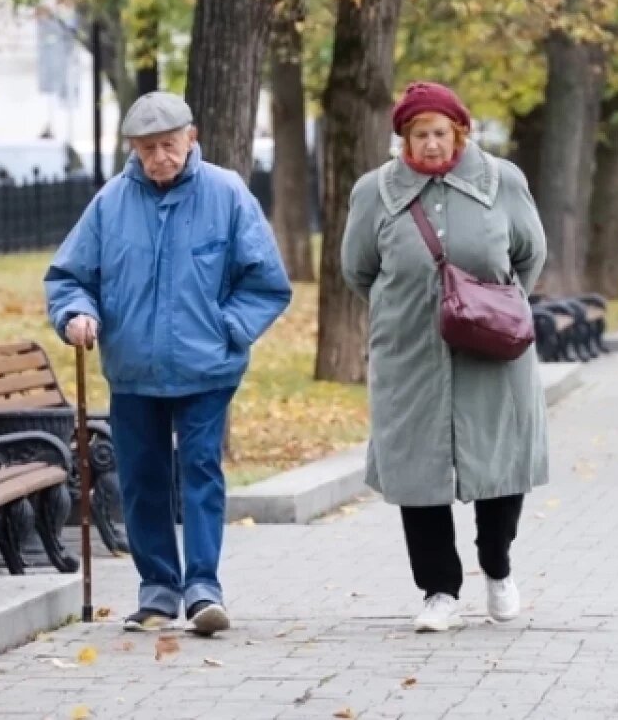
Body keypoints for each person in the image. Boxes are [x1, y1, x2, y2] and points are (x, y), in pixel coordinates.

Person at [45, 91, 292, 635]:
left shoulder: (226, 194)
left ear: (192, 138)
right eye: (148, 148)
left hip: (207, 369)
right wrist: (76, 316)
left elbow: (267, 283)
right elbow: (69, 278)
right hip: (133, 371)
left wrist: (228, 328)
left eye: (169, 145)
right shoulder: (111, 203)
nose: (160, 157)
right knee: (141, 479)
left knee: (200, 471)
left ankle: (203, 590)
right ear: (133, 148)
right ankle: (157, 591)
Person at [340, 81, 548, 633]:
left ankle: (498, 567)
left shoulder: (501, 180)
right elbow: (358, 269)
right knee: (417, 468)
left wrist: (489, 307)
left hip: (493, 347)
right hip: (410, 348)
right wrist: (412, 308)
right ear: (403, 138)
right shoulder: (374, 192)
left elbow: (530, 254)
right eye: (417, 134)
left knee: (500, 461)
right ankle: (438, 590)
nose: (430, 145)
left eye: (439, 133)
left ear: (459, 131)